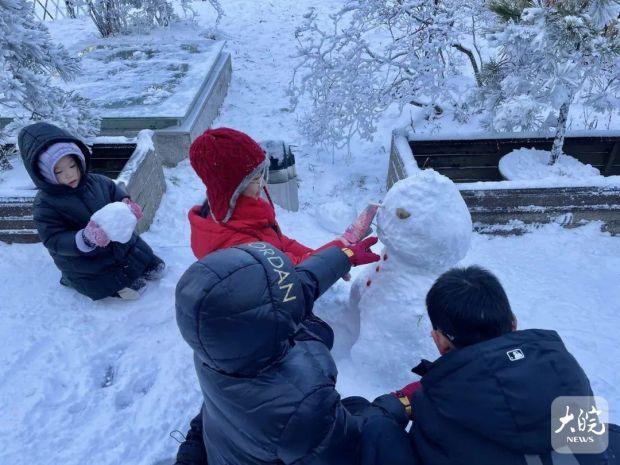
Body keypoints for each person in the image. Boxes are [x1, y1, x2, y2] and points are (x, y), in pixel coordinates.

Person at [360, 266, 619, 465]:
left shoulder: (434, 402)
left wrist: (392, 406)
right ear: (513, 323)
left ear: (439, 341)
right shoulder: (564, 367)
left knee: (375, 428)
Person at [175, 240, 387, 465]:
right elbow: (346, 451)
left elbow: (287, 292)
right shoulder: (301, 404)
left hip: (229, 447)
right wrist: (397, 404)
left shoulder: (215, 342)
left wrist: (342, 257)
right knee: (360, 408)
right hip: (288, 431)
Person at [18, 122, 165, 301]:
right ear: (44, 175)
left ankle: (142, 264)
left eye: (72, 166)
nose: (69, 175)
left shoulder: (98, 181)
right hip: (85, 259)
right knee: (105, 276)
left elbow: (116, 193)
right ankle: (109, 285)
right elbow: (53, 239)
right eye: (58, 171)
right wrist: (85, 238)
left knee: (138, 252)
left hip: (117, 242)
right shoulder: (45, 205)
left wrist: (126, 205)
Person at [187, 127, 375, 264]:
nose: (262, 184)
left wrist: (330, 251)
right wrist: (341, 258)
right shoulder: (236, 243)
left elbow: (281, 243)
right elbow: (292, 272)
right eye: (254, 179)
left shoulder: (242, 213)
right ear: (231, 188)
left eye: (263, 174)